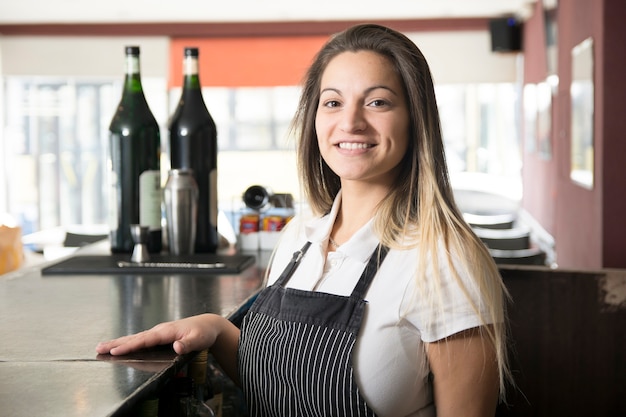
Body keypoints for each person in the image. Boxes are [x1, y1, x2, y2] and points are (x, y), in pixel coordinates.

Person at [97, 23, 511, 417]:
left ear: (415, 120)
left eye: (377, 102)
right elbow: (284, 385)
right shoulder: (299, 238)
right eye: (333, 102)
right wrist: (217, 330)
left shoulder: (444, 262)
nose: (350, 122)